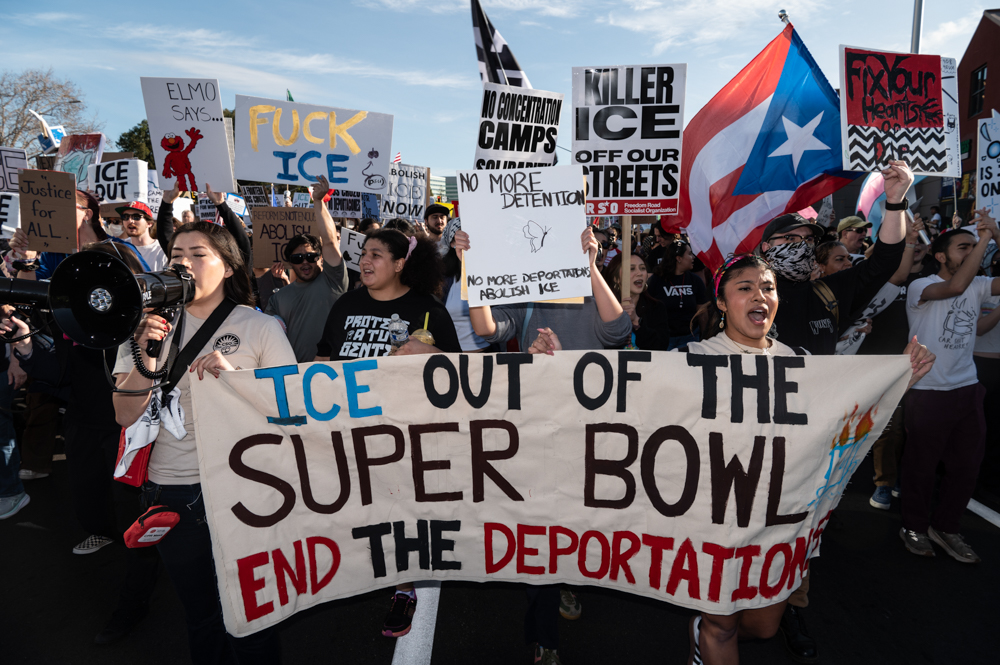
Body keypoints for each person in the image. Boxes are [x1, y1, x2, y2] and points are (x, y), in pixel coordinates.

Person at [684, 253, 934, 665]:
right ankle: (708, 632)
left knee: (763, 626)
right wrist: (545, 366)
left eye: (767, 287)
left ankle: (700, 632)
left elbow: (840, 422)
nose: (759, 295)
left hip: (780, 520)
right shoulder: (693, 358)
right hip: (715, 518)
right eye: (744, 288)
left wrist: (899, 381)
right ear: (723, 304)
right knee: (723, 624)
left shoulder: (798, 362)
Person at [113, 221, 294, 663]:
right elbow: (123, 414)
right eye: (177, 255)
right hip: (170, 489)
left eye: (199, 254)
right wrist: (146, 352)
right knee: (201, 615)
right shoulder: (144, 327)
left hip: (241, 488)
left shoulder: (261, 327)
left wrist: (238, 382)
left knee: (251, 615)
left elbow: (290, 412)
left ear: (229, 267)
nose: (185, 264)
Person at [459, 224, 630, 665]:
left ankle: (570, 577)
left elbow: (617, 333)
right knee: (541, 526)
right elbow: (489, 328)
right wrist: (470, 266)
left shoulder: (592, 284)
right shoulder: (527, 287)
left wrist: (591, 267)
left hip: (590, 427)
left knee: (577, 517)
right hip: (537, 424)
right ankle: (544, 639)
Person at [3, 241, 163, 644]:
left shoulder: (150, 322)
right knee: (88, 492)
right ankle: (101, 530)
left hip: (131, 432)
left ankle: (133, 602)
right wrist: (25, 342)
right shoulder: (74, 318)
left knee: (136, 514)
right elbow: (57, 371)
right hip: (84, 424)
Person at [314, 228, 459, 639]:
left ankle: (404, 588)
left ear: (400, 264)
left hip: (404, 434)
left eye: (377, 254)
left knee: (401, 512)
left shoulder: (428, 309)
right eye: (363, 253)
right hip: (349, 428)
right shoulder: (346, 304)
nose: (365, 260)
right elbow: (322, 357)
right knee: (358, 505)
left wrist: (433, 354)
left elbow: (459, 374)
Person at [901, 211, 1000, 564]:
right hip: (928, 392)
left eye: (974, 247)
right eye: (964, 247)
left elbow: (971, 284)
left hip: (968, 389)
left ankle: (947, 527)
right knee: (921, 467)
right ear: (941, 255)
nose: (972, 251)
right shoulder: (919, 287)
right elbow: (955, 287)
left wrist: (996, 234)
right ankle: (913, 525)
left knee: (966, 467)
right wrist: (986, 238)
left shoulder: (978, 284)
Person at [265, 176, 348, 362]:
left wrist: (318, 201)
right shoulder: (277, 299)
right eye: (297, 258)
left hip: (336, 375)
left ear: (320, 258)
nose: (305, 262)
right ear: (289, 262)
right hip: (296, 379)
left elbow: (329, 241)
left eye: (310, 257)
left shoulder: (333, 280)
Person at [8, 189, 149, 280]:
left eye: (64, 206)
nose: (53, 213)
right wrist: (27, 259)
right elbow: (28, 296)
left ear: (87, 214)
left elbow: (149, 287)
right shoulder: (53, 254)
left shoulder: (120, 249)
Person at [646, 238, 708, 349]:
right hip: (664, 340)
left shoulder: (695, 281)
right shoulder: (656, 281)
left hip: (690, 339)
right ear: (678, 258)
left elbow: (702, 313)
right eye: (689, 254)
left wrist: (705, 338)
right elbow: (648, 310)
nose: (693, 257)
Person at [604, 253, 672, 351]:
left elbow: (661, 346)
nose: (639, 273)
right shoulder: (603, 308)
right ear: (616, 278)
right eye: (631, 269)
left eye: (642, 268)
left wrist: (636, 321)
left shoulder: (656, 307)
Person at [117, 200, 168, 270]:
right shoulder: (119, 246)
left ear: (149, 223)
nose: (130, 221)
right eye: (125, 217)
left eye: (136, 217)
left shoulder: (161, 250)